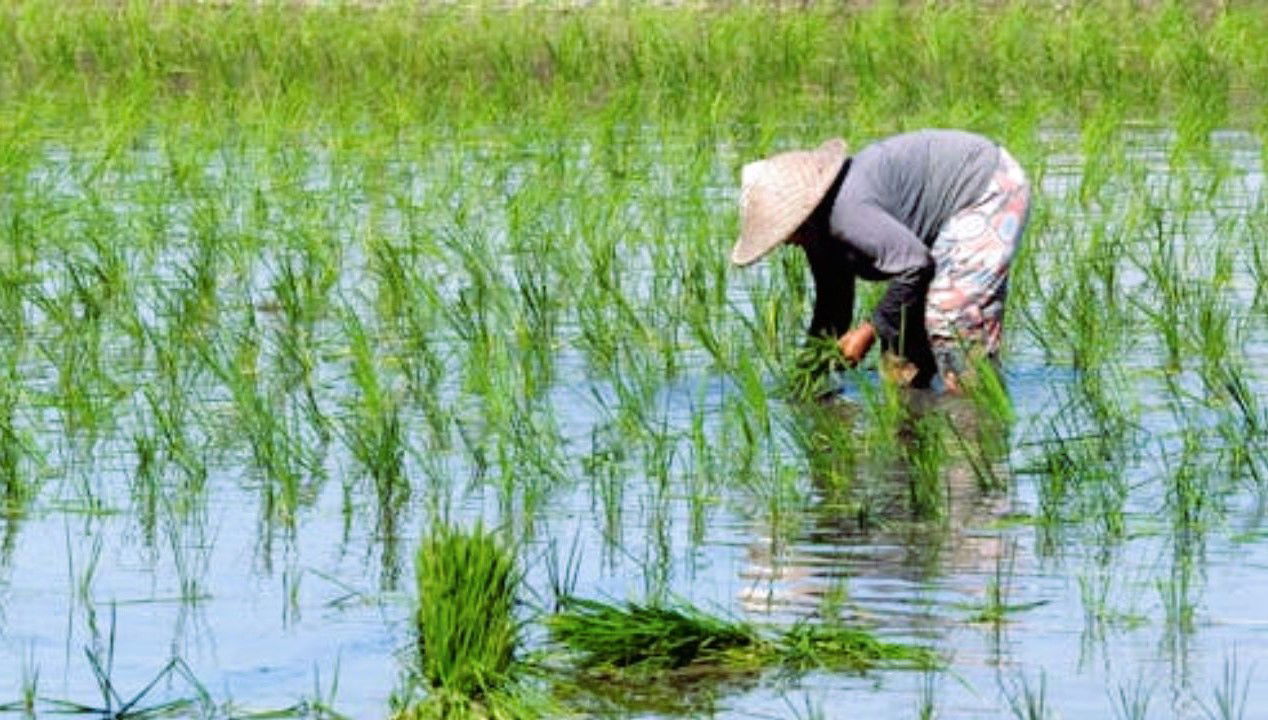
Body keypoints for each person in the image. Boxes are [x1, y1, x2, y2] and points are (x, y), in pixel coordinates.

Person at [731, 129, 1031, 391]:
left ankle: (977, 417)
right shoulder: (818, 233)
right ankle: (914, 428)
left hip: (986, 187)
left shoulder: (848, 213)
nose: (786, 241)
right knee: (899, 355)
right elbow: (832, 306)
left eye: (785, 230)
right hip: (941, 226)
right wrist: (809, 374)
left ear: (803, 214)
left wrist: (868, 331)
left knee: (950, 316)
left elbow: (916, 265)